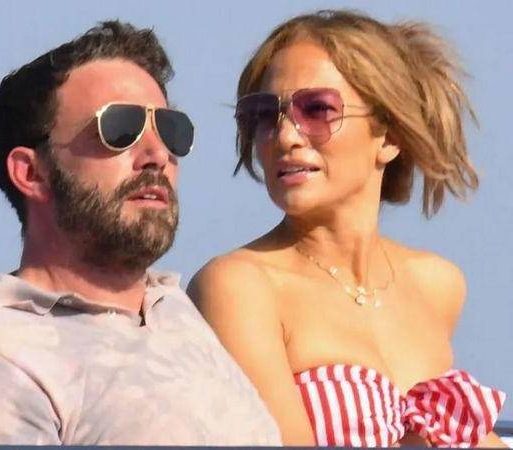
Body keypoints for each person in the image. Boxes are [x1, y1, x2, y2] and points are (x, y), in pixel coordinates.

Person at [0, 21, 281, 446]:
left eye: (170, 129)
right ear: (31, 173)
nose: (157, 155)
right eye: (120, 129)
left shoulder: (175, 310)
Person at [188, 9, 506, 447]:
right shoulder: (239, 285)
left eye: (317, 109)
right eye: (263, 114)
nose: (285, 136)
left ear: (389, 137)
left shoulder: (435, 284)